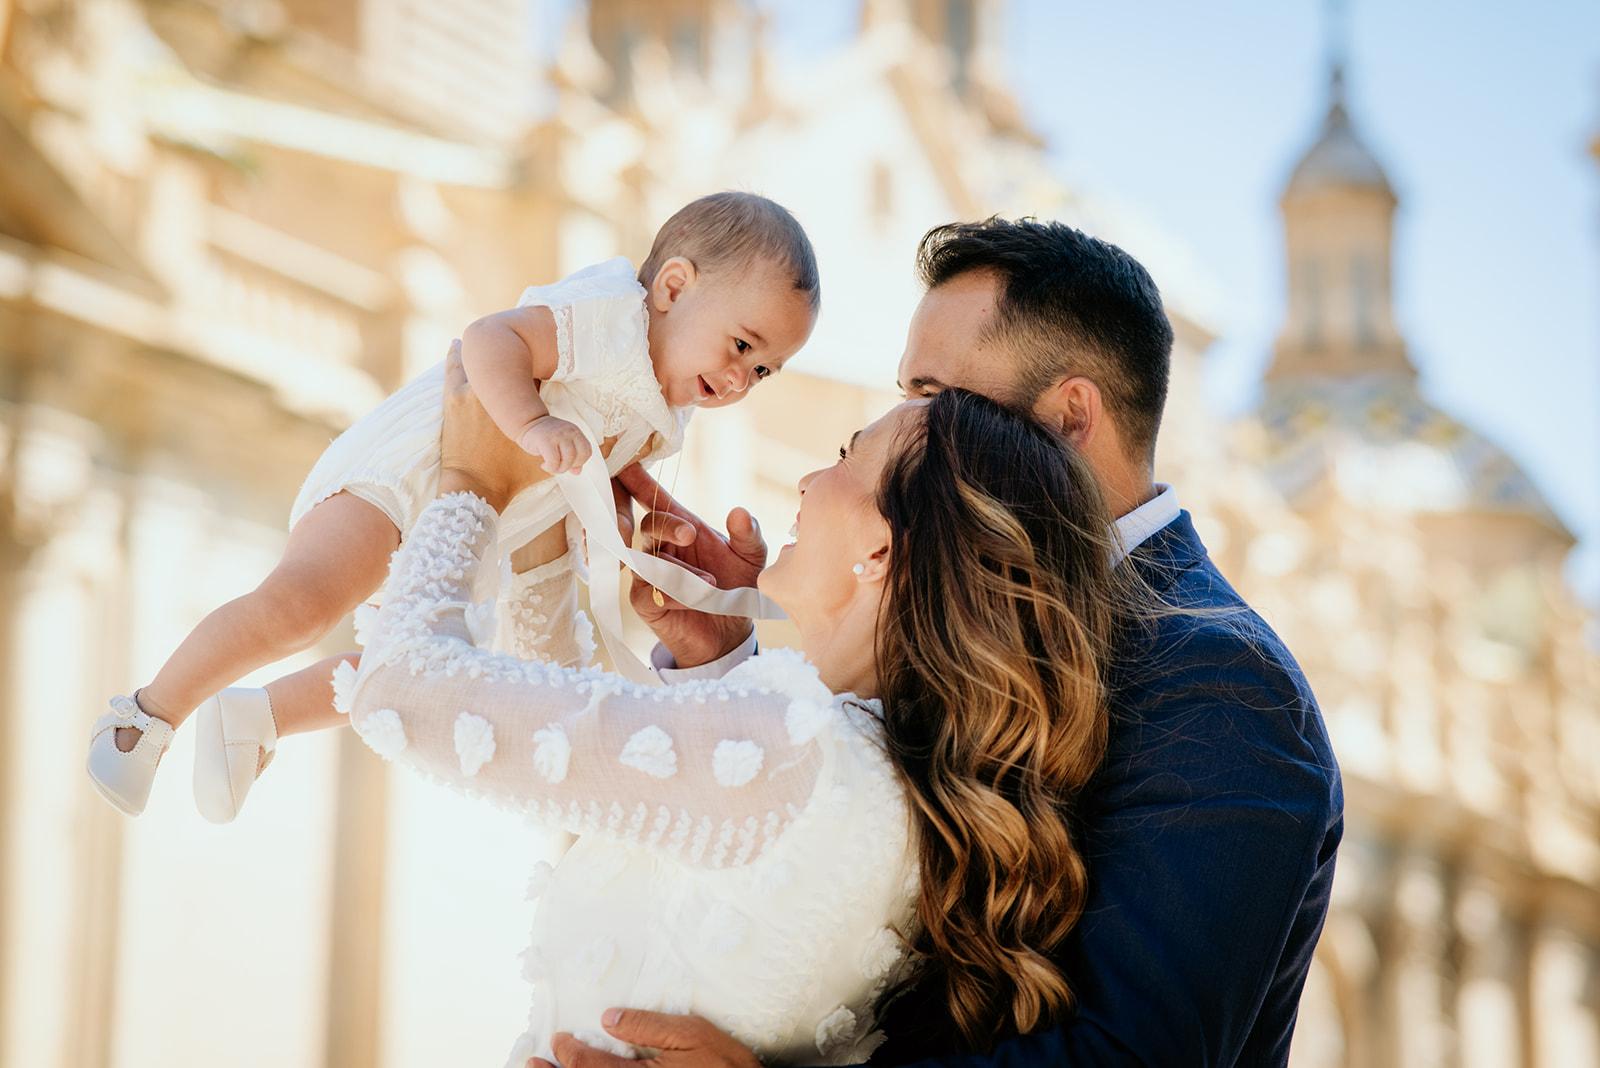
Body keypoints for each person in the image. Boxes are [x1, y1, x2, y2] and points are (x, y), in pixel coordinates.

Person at [566, 218, 1345, 1067]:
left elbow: (1134, 1053)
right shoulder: (964, 605)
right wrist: (727, 660)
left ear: (1070, 416)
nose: (905, 425)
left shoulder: (1222, 684)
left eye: (934, 396)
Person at [348, 347, 1137, 1066]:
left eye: (845, 459)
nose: (807, 481)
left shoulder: (789, 746)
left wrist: (470, 491)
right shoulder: (901, 783)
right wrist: (711, 658)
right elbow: (654, 834)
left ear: (881, 549)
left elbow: (398, 691)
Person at [84, 191, 818, 823]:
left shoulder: (669, 410)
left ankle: (260, 718)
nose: (740, 376)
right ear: (674, 287)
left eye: (763, 369)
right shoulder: (609, 317)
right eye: (741, 344)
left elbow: (608, 479)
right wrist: (532, 423)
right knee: (302, 605)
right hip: (415, 468)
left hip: (506, 518)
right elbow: (488, 339)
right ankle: (147, 715)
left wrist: (632, 532)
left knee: (415, 661)